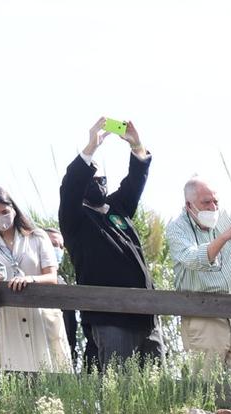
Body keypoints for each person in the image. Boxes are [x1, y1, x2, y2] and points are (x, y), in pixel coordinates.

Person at [58, 117, 158, 369]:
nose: (98, 184)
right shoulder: (75, 218)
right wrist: (91, 148)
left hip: (145, 314)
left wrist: (136, 146)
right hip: (109, 316)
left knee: (156, 385)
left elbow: (135, 181)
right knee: (119, 386)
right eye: (92, 178)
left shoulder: (117, 208)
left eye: (102, 179)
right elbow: (70, 186)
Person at [166, 176, 231, 381]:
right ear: (189, 205)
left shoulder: (226, 218)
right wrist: (224, 237)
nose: (213, 207)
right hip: (203, 315)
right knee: (204, 386)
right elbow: (193, 259)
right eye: (206, 202)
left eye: (216, 202)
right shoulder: (177, 228)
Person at [0, 188, 73, 371]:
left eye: (5, 212)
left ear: (13, 209)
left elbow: (52, 276)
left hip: (40, 315)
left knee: (53, 370)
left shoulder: (37, 237)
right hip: (8, 319)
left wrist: (31, 279)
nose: (0, 217)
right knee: (14, 373)